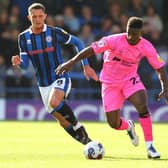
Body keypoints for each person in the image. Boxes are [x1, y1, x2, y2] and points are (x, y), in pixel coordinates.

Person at [56, 16, 168, 159]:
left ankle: (150, 147)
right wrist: (70, 62)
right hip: (109, 83)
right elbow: (91, 50)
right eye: (129, 32)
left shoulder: (146, 46)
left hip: (130, 80)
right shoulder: (113, 40)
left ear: (140, 33)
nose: (131, 36)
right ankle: (128, 126)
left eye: (134, 34)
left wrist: (165, 88)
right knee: (113, 123)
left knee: (142, 106)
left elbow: (160, 68)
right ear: (126, 30)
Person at [11, 3, 99, 145]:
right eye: (34, 17)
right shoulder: (23, 38)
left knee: (54, 101)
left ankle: (78, 127)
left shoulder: (54, 32)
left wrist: (86, 65)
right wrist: (18, 62)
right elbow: (25, 66)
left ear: (45, 16)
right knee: (62, 121)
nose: (38, 19)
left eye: (40, 16)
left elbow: (78, 42)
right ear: (29, 17)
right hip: (43, 84)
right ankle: (87, 143)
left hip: (60, 75)